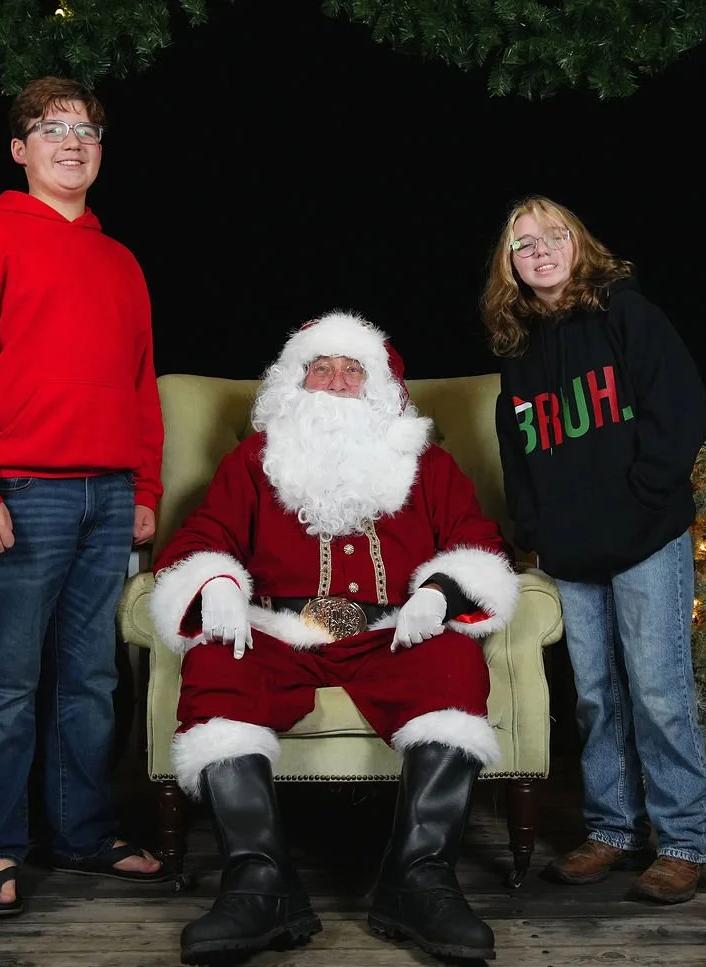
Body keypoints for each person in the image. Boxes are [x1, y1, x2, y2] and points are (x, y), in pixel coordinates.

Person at [147, 309, 521, 963]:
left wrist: (439, 591)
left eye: (354, 369)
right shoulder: (255, 459)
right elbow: (206, 534)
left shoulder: (425, 462)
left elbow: (478, 540)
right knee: (217, 666)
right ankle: (259, 883)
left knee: (455, 666)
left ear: (378, 388)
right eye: (321, 368)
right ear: (297, 382)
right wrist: (218, 585)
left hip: (393, 631)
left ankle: (420, 879)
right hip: (278, 630)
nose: (338, 380)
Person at [0, 76, 167, 918]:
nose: (73, 142)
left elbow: (141, 389)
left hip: (107, 496)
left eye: (88, 130)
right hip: (21, 496)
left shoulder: (121, 260)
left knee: (91, 679)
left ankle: (83, 831)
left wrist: (145, 486)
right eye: (51, 128)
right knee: (5, 682)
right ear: (20, 148)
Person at [482, 194, 706, 904]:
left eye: (553, 235)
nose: (540, 249)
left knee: (659, 691)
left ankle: (682, 841)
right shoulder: (519, 351)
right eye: (524, 244)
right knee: (593, 697)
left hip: (645, 538)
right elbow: (516, 447)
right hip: (572, 552)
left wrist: (641, 498)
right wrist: (536, 527)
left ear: (578, 244)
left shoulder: (626, 315)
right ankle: (612, 829)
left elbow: (680, 411)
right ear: (512, 267)